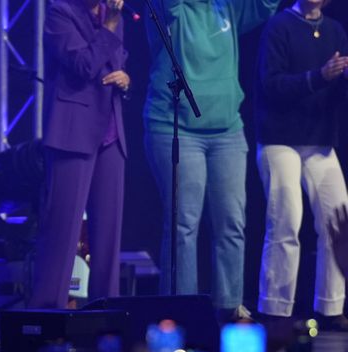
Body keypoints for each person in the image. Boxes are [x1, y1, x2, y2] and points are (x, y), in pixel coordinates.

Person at [143, 0, 279, 321]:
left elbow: (266, 4)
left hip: (228, 130)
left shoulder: (226, 7)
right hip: (176, 126)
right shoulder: (174, 8)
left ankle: (230, 306)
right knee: (183, 224)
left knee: (232, 223)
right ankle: (182, 311)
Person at [28, 0, 129, 309]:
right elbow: (84, 64)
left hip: (111, 133)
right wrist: (110, 28)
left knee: (108, 237)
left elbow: (115, 62)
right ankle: (47, 312)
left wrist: (125, 80)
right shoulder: (60, 13)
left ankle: (105, 316)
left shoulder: (111, 16)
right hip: (73, 133)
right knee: (63, 231)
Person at [255, 0, 348, 328]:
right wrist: (319, 76)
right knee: (286, 219)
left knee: (338, 219)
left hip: (319, 140)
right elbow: (272, 85)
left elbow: (335, 89)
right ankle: (275, 310)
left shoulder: (335, 30)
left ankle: (331, 308)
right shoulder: (280, 26)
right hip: (279, 138)